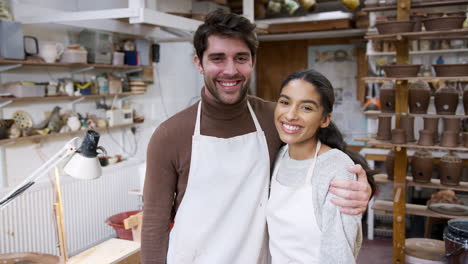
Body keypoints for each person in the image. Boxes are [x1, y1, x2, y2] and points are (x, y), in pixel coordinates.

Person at [142, 10, 375, 264]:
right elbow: (154, 225)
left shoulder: (273, 118)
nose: (230, 70)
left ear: (252, 61)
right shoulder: (169, 135)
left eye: (240, 58)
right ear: (199, 63)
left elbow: (330, 152)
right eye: (217, 58)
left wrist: (365, 187)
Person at [267, 69, 375, 264]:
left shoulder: (336, 167)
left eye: (306, 108)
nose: (290, 115)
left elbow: (339, 254)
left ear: (324, 119)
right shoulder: (279, 156)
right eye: (285, 102)